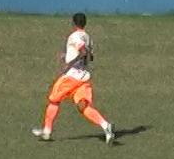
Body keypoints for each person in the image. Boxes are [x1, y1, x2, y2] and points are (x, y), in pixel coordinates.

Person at [31, 13, 116, 144]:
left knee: (54, 100)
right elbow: (89, 56)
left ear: (73, 23)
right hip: (84, 77)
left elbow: (82, 52)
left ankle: (47, 131)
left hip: (71, 76)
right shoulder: (88, 38)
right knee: (83, 106)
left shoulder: (75, 36)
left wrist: (68, 65)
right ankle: (106, 126)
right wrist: (67, 55)